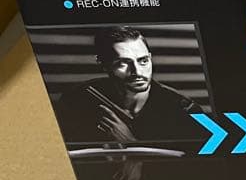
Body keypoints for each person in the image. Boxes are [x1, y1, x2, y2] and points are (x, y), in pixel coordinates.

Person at [57, 25, 201, 144]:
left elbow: (202, 160)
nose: (137, 72)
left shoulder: (185, 108)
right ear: (103, 64)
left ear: (150, 58)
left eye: (143, 61)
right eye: (123, 63)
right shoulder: (76, 99)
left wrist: (132, 144)